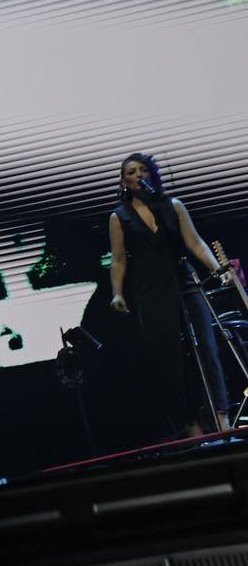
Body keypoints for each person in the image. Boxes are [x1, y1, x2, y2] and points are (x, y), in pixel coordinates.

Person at [108, 153, 230, 439]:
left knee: (208, 350)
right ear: (123, 180)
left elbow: (195, 243)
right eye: (131, 172)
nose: (137, 175)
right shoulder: (119, 217)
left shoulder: (172, 206)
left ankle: (222, 417)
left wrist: (218, 269)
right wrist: (116, 292)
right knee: (171, 361)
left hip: (185, 283)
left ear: (152, 174)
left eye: (142, 170)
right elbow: (118, 259)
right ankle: (193, 427)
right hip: (151, 294)